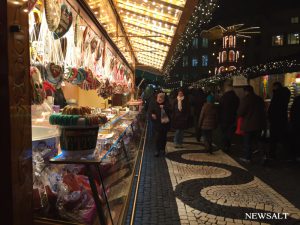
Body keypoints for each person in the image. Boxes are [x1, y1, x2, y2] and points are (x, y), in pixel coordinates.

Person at [238, 85, 266, 163]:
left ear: (246, 91)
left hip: (248, 124)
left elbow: (241, 112)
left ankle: (247, 158)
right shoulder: (259, 99)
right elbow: (264, 111)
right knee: (260, 141)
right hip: (259, 124)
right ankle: (263, 156)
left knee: (247, 142)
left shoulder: (246, 99)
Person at [267, 82, 291, 159]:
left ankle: (272, 154)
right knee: (283, 137)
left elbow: (273, 107)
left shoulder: (277, 94)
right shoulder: (285, 94)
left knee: (274, 138)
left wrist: (269, 116)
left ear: (276, 86)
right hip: (282, 119)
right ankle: (288, 154)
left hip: (275, 119)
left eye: (273, 87)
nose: (272, 89)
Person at [148, 92, 171, 157]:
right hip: (157, 123)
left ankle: (163, 149)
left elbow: (171, 110)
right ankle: (157, 150)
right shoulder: (153, 103)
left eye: (161, 98)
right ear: (157, 97)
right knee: (157, 137)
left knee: (163, 137)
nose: (160, 99)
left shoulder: (167, 103)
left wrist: (164, 107)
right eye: (159, 97)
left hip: (165, 124)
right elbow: (149, 111)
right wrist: (152, 115)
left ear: (164, 98)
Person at [219, 82, 240, 152]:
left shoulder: (224, 97)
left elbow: (220, 107)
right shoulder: (236, 97)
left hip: (224, 117)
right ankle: (227, 145)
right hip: (233, 117)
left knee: (224, 132)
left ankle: (225, 145)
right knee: (230, 132)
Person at [289, 95, 300, 161]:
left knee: (296, 139)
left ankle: (296, 155)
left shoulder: (296, 101)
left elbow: (292, 112)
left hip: (296, 123)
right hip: (296, 123)